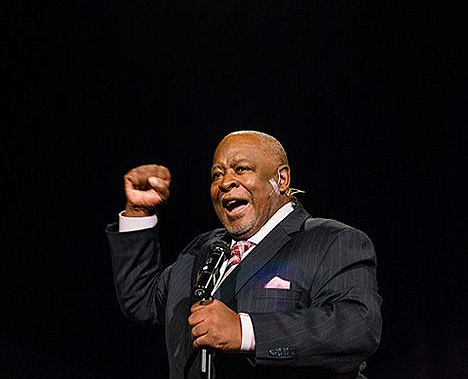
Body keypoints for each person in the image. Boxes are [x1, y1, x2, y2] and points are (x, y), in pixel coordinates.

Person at [106, 130, 382, 378]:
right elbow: (142, 301)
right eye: (217, 174)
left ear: (281, 178)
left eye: (241, 169)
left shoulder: (330, 241)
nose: (226, 182)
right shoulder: (201, 250)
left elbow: (357, 327)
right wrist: (139, 213)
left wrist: (246, 331)